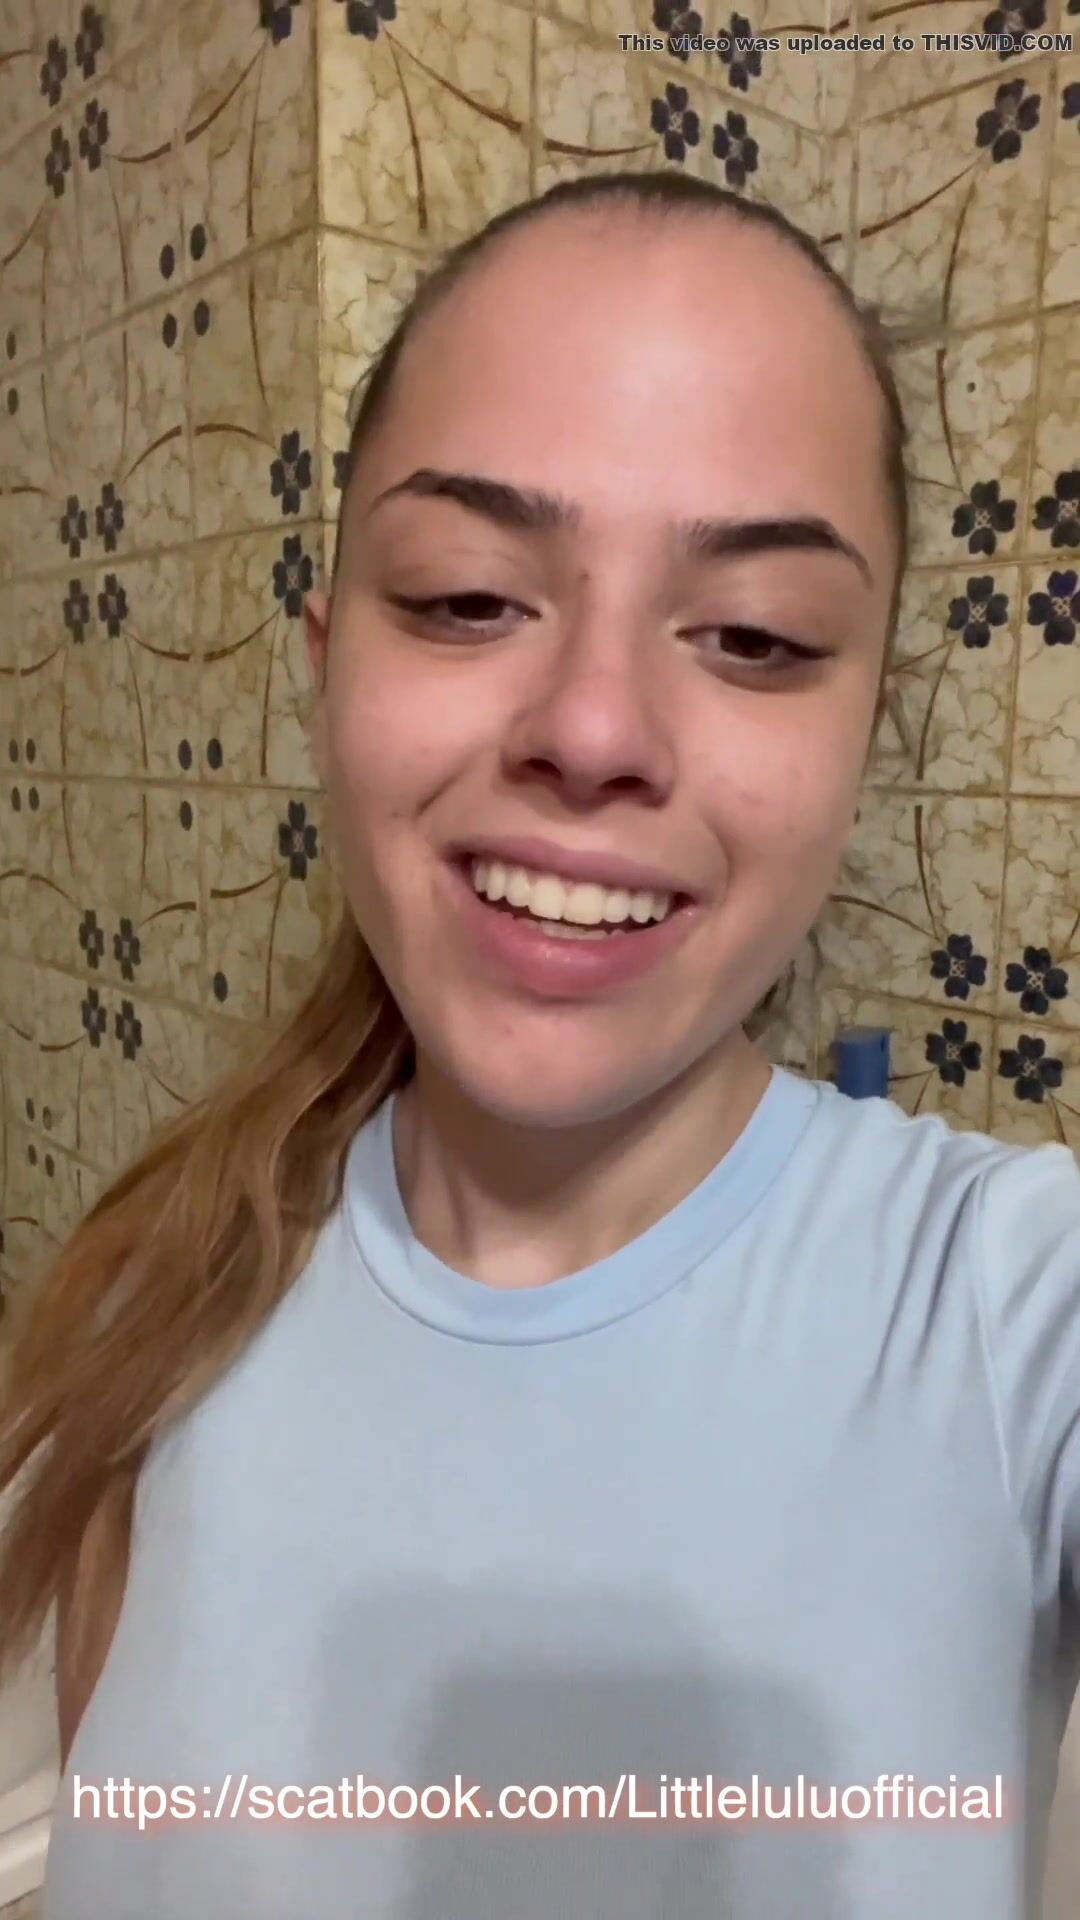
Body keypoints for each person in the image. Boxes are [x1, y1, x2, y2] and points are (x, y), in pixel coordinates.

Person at [1, 167, 1078, 1920]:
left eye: (754, 637)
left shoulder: (1009, 1310)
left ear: (868, 732)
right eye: (465, 598)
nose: (591, 728)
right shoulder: (154, 1305)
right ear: (323, 664)